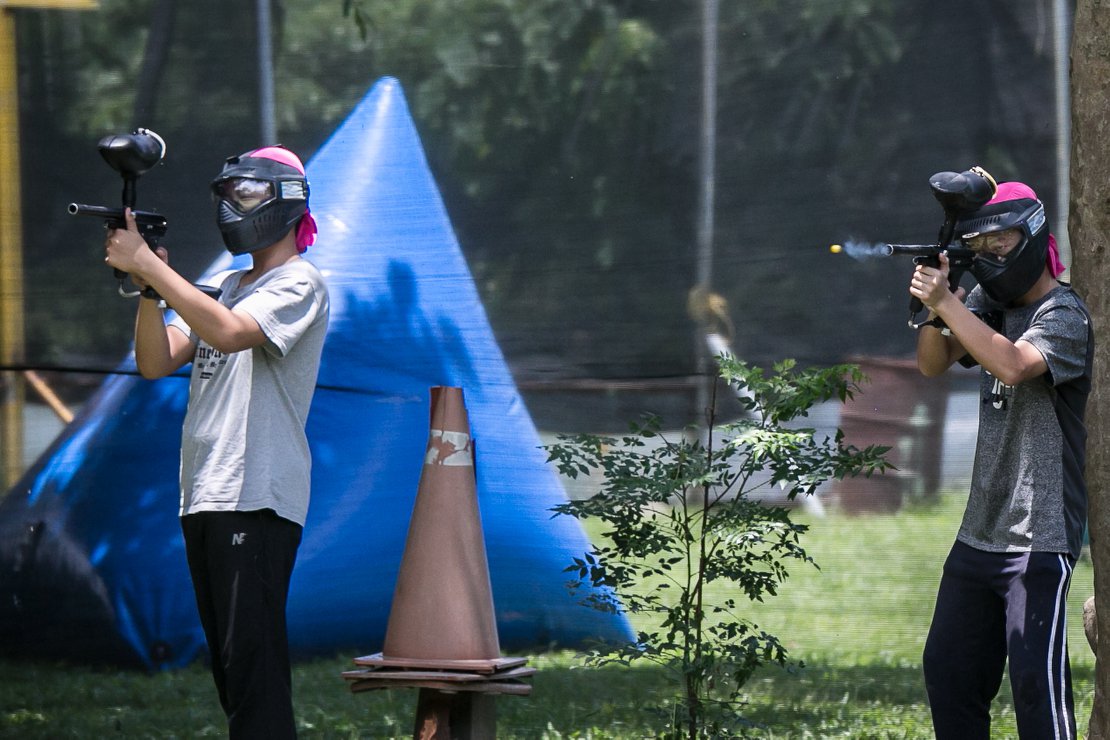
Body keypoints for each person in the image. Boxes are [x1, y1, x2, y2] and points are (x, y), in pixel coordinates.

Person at [104, 145, 330, 738]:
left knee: (253, 670)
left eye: (247, 194)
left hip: (256, 495)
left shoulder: (300, 282)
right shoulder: (228, 285)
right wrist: (148, 289)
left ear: (286, 202)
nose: (233, 207)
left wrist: (155, 270)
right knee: (234, 673)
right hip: (206, 492)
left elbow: (230, 335)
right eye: (228, 196)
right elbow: (155, 361)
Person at [910, 177, 1092, 739]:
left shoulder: (1065, 314)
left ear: (1033, 234)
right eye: (981, 246)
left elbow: (1013, 365)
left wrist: (947, 301)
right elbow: (932, 363)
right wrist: (933, 305)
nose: (991, 254)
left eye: (1002, 242)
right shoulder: (986, 304)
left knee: (1038, 695)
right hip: (979, 531)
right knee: (949, 674)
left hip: (1038, 536)